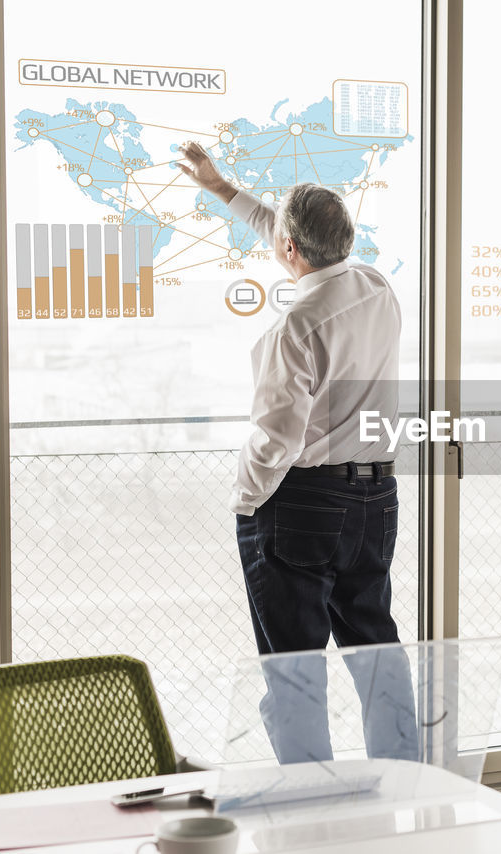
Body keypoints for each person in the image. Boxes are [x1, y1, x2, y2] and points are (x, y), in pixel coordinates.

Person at [178, 141, 416, 763]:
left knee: (295, 668)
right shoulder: (375, 287)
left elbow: (278, 438)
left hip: (304, 505)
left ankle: (313, 807)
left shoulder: (295, 327)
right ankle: (409, 785)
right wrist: (222, 188)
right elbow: (292, 239)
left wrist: (247, 500)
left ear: (290, 251)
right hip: (375, 499)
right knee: (375, 650)